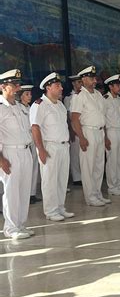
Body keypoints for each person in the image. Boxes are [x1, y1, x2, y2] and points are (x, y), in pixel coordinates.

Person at [30, 72, 74, 221]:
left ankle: (60, 207)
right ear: (48, 87)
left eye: (60, 85)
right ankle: (50, 211)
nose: (61, 88)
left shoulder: (60, 104)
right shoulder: (39, 105)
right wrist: (40, 149)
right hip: (49, 147)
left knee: (62, 179)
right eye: (57, 85)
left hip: (63, 146)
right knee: (50, 180)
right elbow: (35, 127)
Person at [0, 69, 34, 239]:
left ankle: (21, 224)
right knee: (12, 191)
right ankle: (11, 228)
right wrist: (1, 160)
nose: (17, 87)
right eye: (14, 84)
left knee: (23, 190)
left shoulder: (20, 107)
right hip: (9, 153)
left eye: (18, 84)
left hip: (25, 151)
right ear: (2, 87)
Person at [70, 66, 111, 207]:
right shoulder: (79, 96)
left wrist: (105, 137)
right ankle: (90, 197)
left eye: (95, 78)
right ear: (84, 79)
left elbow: (102, 116)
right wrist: (81, 138)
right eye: (92, 78)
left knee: (99, 166)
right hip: (88, 132)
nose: (95, 80)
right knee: (88, 166)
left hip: (99, 132)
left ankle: (97, 193)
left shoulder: (98, 95)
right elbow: (75, 119)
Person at [103, 74, 120, 196]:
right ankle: (112, 187)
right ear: (110, 86)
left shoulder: (119, 100)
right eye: (117, 85)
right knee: (112, 160)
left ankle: (118, 185)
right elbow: (102, 119)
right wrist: (105, 137)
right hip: (111, 132)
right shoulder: (105, 100)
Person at [18, 84, 41, 204]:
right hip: (25, 140)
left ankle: (32, 193)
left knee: (34, 167)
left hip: (33, 140)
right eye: (27, 94)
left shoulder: (30, 108)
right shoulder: (18, 109)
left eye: (30, 94)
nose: (30, 96)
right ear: (20, 96)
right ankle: (25, 194)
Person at [63, 74, 83, 186]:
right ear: (73, 84)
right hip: (74, 128)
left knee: (83, 154)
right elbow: (68, 115)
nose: (80, 84)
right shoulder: (68, 98)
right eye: (78, 82)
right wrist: (71, 130)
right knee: (75, 153)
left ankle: (83, 175)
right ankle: (77, 177)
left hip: (84, 127)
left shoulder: (84, 96)